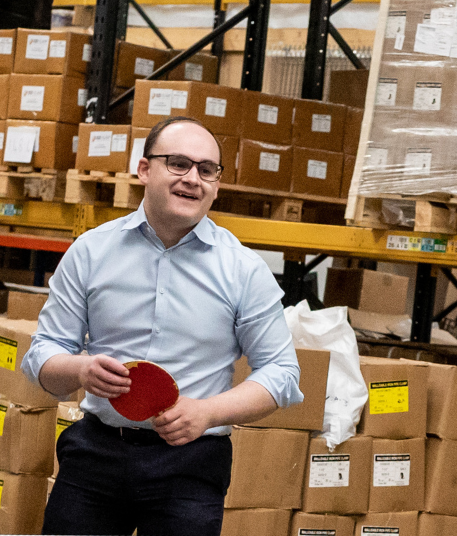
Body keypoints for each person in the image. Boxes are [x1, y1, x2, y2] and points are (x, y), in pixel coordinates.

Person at [23, 116, 302, 536]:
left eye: (207, 170)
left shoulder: (243, 270)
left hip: (190, 462)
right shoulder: (91, 251)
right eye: (178, 164)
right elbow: (42, 353)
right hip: (97, 453)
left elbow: (282, 373)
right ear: (144, 170)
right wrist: (80, 370)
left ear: (217, 184)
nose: (193, 179)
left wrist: (207, 412)